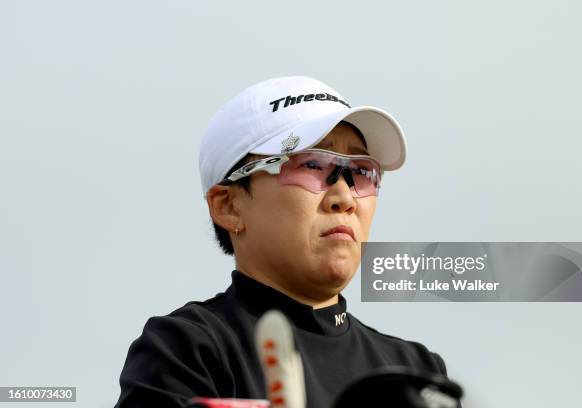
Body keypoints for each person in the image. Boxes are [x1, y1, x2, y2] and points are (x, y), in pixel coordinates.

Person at [115, 76, 457, 408]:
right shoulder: (186, 347)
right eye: (311, 165)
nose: (344, 197)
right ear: (228, 206)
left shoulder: (416, 372)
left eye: (361, 172)